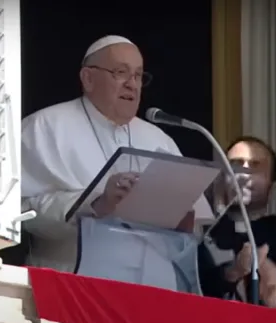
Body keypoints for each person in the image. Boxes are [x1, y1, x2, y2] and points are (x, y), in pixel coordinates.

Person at [21, 35, 212, 277]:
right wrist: (98, 203)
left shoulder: (160, 140)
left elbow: (192, 232)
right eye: (121, 72)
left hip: (152, 285)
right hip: (74, 280)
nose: (132, 84)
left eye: (138, 75)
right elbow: (22, 213)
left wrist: (185, 224)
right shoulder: (45, 127)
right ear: (88, 78)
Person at [199, 136, 276, 313]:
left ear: (272, 186)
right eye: (235, 164)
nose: (243, 175)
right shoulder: (201, 236)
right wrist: (232, 272)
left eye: (255, 166)